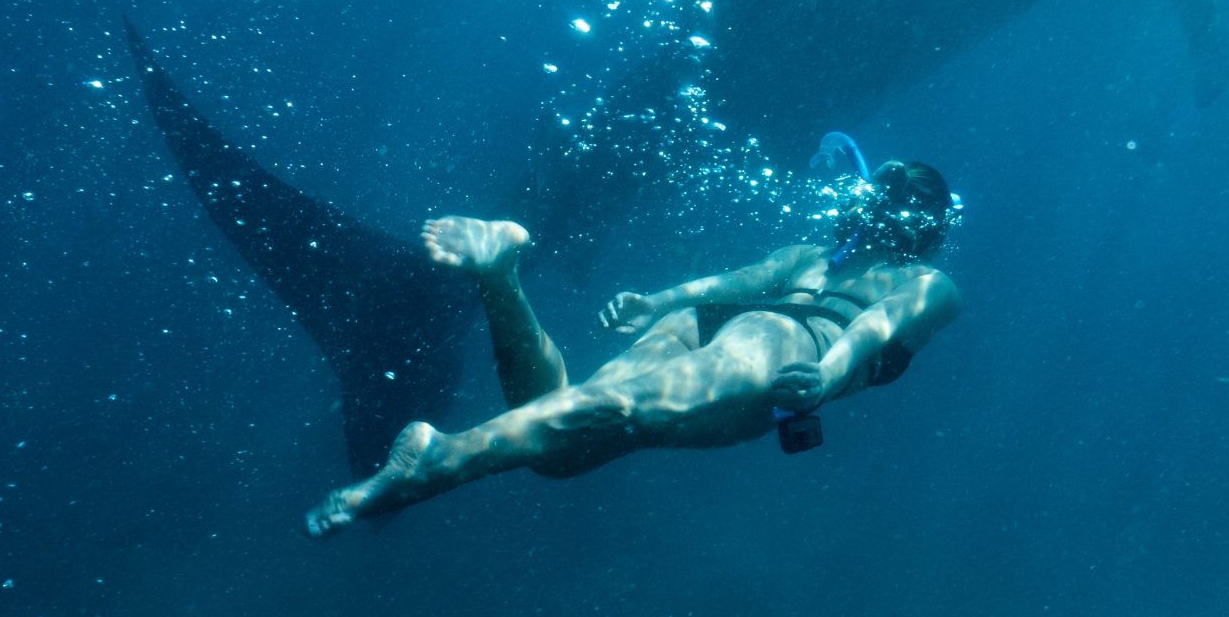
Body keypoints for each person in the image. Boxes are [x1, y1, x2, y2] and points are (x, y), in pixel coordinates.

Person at [305, 158, 962, 535]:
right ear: (932, 227)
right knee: (614, 411)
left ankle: (500, 276)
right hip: (785, 342)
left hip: (721, 322)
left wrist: (662, 302)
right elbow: (872, 327)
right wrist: (823, 373)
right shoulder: (930, 280)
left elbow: (736, 282)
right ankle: (437, 460)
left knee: (565, 437)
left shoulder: (812, 254)